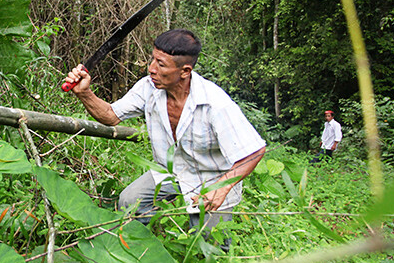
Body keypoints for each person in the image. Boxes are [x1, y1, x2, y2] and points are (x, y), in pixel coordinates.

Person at [64, 29, 266, 236]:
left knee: (208, 246)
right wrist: (85, 93)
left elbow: (254, 151)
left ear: (185, 71)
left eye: (161, 65)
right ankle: (142, 251)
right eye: (153, 60)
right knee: (130, 202)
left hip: (211, 179)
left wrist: (221, 188)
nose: (151, 69)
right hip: (170, 171)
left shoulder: (215, 104)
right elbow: (110, 115)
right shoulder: (149, 88)